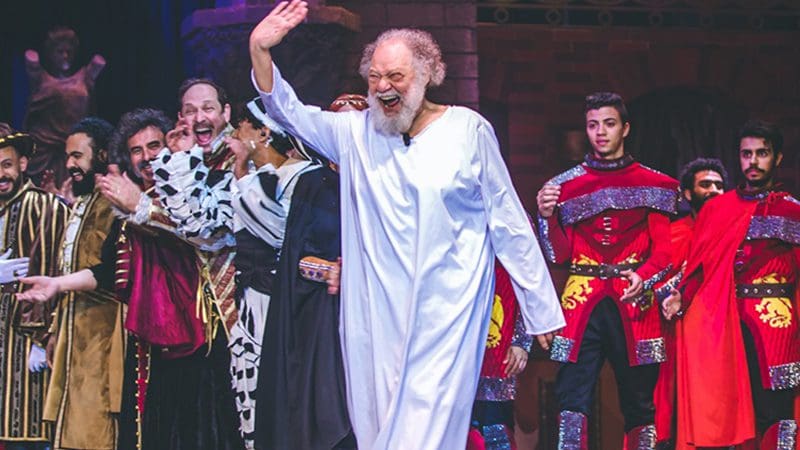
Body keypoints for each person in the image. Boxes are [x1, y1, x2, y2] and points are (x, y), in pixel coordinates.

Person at [249, 3, 565, 448]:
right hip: (376, 317)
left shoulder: (467, 130)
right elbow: (288, 111)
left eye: (395, 76)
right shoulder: (354, 133)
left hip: (446, 314)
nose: (383, 87)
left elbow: (508, 220)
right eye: (374, 77)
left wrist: (540, 307)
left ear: (427, 74)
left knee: (425, 432)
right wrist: (259, 50)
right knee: (380, 429)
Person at [93, 107, 244, 450]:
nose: (146, 157)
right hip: (154, 336)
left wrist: (142, 209)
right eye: (136, 150)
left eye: (153, 146)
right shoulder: (130, 200)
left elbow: (202, 237)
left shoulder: (191, 190)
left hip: (200, 330)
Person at [535, 92, 678, 448]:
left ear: (625, 128)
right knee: (571, 399)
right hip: (581, 302)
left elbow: (665, 252)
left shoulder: (655, 184)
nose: (600, 132)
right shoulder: (563, 186)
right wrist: (546, 217)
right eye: (593, 125)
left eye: (609, 124)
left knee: (640, 404)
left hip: (634, 302)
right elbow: (558, 255)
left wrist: (643, 276)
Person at [674, 120, 799, 449]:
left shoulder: (791, 211)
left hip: (778, 325)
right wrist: (680, 298)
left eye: (762, 153)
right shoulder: (719, 209)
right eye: (746, 154)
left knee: (777, 408)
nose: (753, 161)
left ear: (777, 157)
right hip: (725, 323)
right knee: (728, 410)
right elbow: (700, 268)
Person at [254, 93, 367, 450]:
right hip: (324, 319)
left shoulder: (384, 180)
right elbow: (297, 261)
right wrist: (332, 270)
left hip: (375, 315)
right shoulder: (313, 183)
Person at [17, 117, 123, 450]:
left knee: (95, 429)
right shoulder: (86, 201)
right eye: (68, 156)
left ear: (102, 154)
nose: (69, 164)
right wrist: (54, 331)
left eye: (77, 156)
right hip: (73, 332)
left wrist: (58, 285)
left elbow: (108, 272)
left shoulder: (112, 203)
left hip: (103, 334)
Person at [225, 97, 318, 449]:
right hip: (253, 305)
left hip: (286, 306)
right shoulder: (256, 180)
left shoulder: (304, 178)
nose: (235, 135)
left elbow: (281, 233)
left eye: (240, 128)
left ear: (263, 132)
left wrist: (241, 176)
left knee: (285, 404)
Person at [0, 124, 69, 450]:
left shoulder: (46, 207)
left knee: (25, 431)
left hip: (24, 346)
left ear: (23, 164)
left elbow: (59, 272)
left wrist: (44, 339)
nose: (1, 174)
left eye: (6, 164)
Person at [653, 158, 727, 447]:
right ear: (687, 193)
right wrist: (682, 284)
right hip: (679, 337)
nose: (713, 190)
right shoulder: (674, 234)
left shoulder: (734, 232)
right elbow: (654, 286)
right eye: (705, 184)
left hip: (723, 336)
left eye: (719, 185)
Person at [24, 27, 106, 188]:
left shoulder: (85, 76)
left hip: (77, 146)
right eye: (60, 52)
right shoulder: (40, 77)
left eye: (69, 51)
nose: (65, 56)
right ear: (50, 53)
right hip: (45, 148)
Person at [466, 261, 533, 450]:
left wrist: (521, 340)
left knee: (495, 425)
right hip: (456, 345)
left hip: (500, 337)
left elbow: (531, 281)